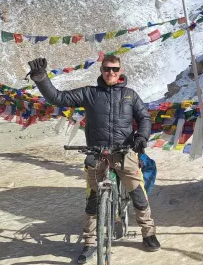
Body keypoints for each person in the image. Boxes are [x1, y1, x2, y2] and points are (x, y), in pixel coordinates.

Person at [27, 56, 160, 264]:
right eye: (107, 69)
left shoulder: (129, 95)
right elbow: (58, 98)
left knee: (138, 194)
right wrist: (41, 79)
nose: (111, 73)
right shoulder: (89, 93)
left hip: (124, 153)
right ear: (101, 70)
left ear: (120, 70)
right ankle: (90, 242)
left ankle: (148, 233)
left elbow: (144, 118)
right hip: (97, 153)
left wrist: (141, 137)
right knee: (92, 201)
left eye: (114, 69)